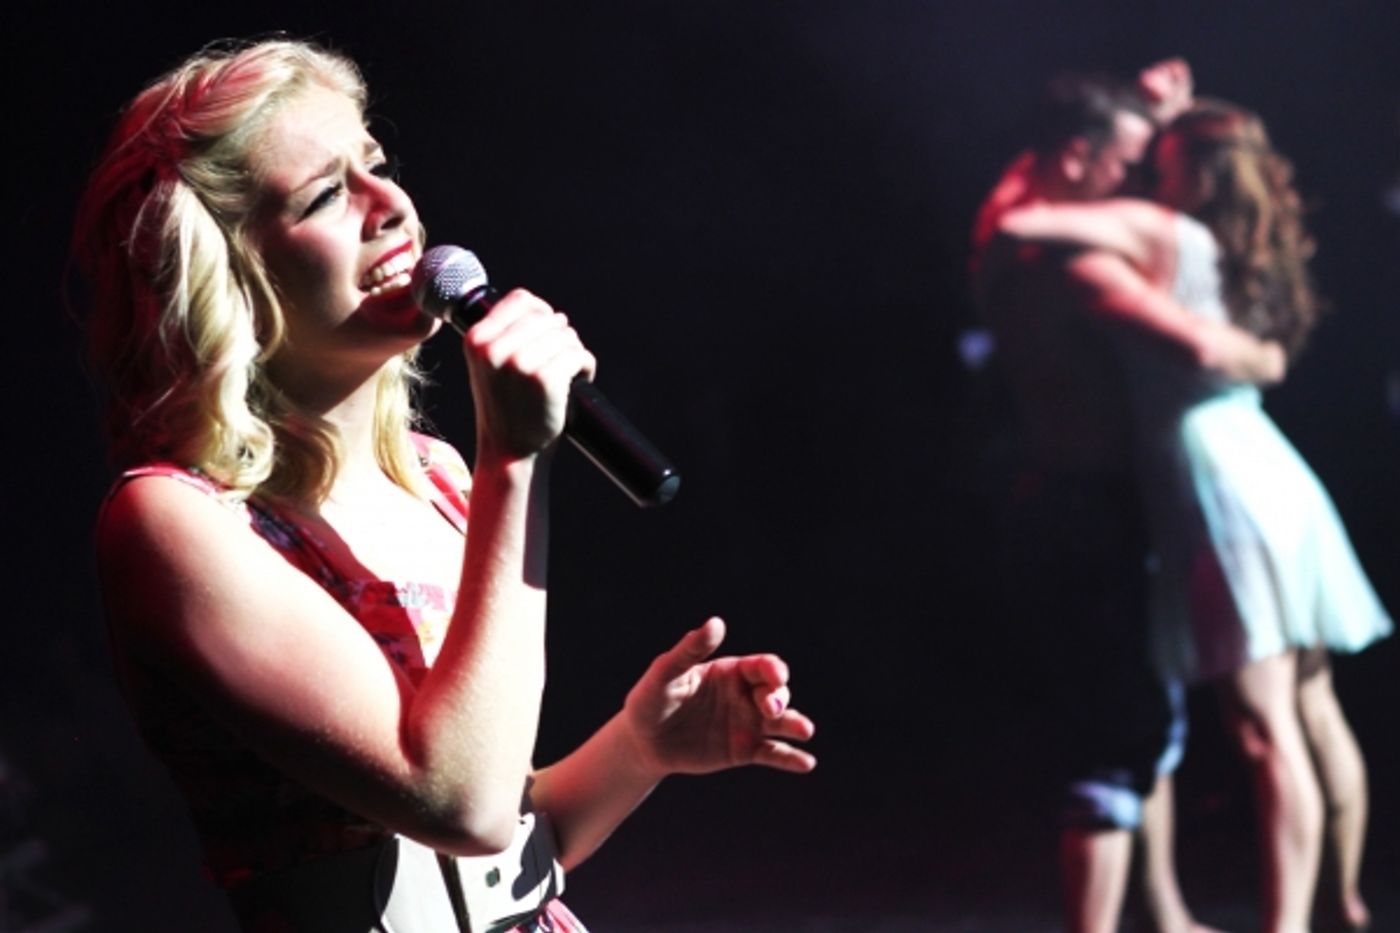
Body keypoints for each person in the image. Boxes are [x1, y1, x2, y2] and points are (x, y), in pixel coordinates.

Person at [70, 38, 816, 932]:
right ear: (227, 274)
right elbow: (456, 801)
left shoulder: (433, 476)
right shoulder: (174, 522)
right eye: (324, 195)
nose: (389, 207)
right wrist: (515, 455)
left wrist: (638, 747)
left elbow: (498, 839)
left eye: (375, 165)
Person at [998, 98, 1393, 933]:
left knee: (1261, 727)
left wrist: (1040, 194)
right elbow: (1254, 351)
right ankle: (1343, 902)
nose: (1143, 172)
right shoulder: (1236, 243)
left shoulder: (1154, 228)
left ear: (1190, 169)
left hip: (1218, 483)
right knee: (1312, 704)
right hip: (1267, 461)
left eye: (1159, 158)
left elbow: (1023, 221)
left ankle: (1288, 925)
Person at [971, 64, 1283, 933]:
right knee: (1112, 743)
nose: (1140, 181)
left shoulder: (998, 226)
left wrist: (1141, 115)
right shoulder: (1065, 263)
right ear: (1077, 157)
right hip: (1089, 510)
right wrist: (1267, 357)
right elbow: (1198, 344)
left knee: (1142, 725)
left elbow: (1022, 187)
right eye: (1129, 160)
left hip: (1068, 501)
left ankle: (1168, 914)